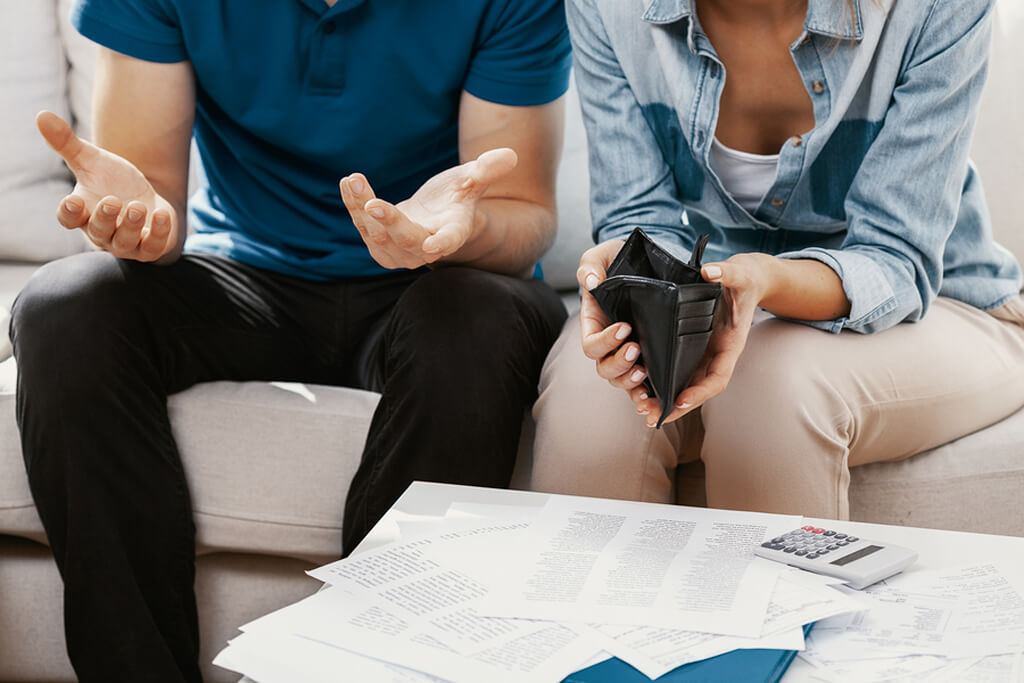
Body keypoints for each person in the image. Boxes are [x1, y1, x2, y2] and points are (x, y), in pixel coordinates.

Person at [9, 0, 570, 679]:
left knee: (477, 320)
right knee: (64, 305)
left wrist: (453, 235)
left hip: (433, 282)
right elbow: (151, 195)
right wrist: (142, 223)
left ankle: (372, 668)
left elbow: (524, 209)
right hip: (247, 276)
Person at [532, 0, 1024, 519]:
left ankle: (788, 604)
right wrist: (633, 280)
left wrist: (763, 280)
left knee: (769, 388)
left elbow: (896, 258)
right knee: (590, 395)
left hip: (939, 304)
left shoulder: (935, 8)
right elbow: (638, 219)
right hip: (722, 292)